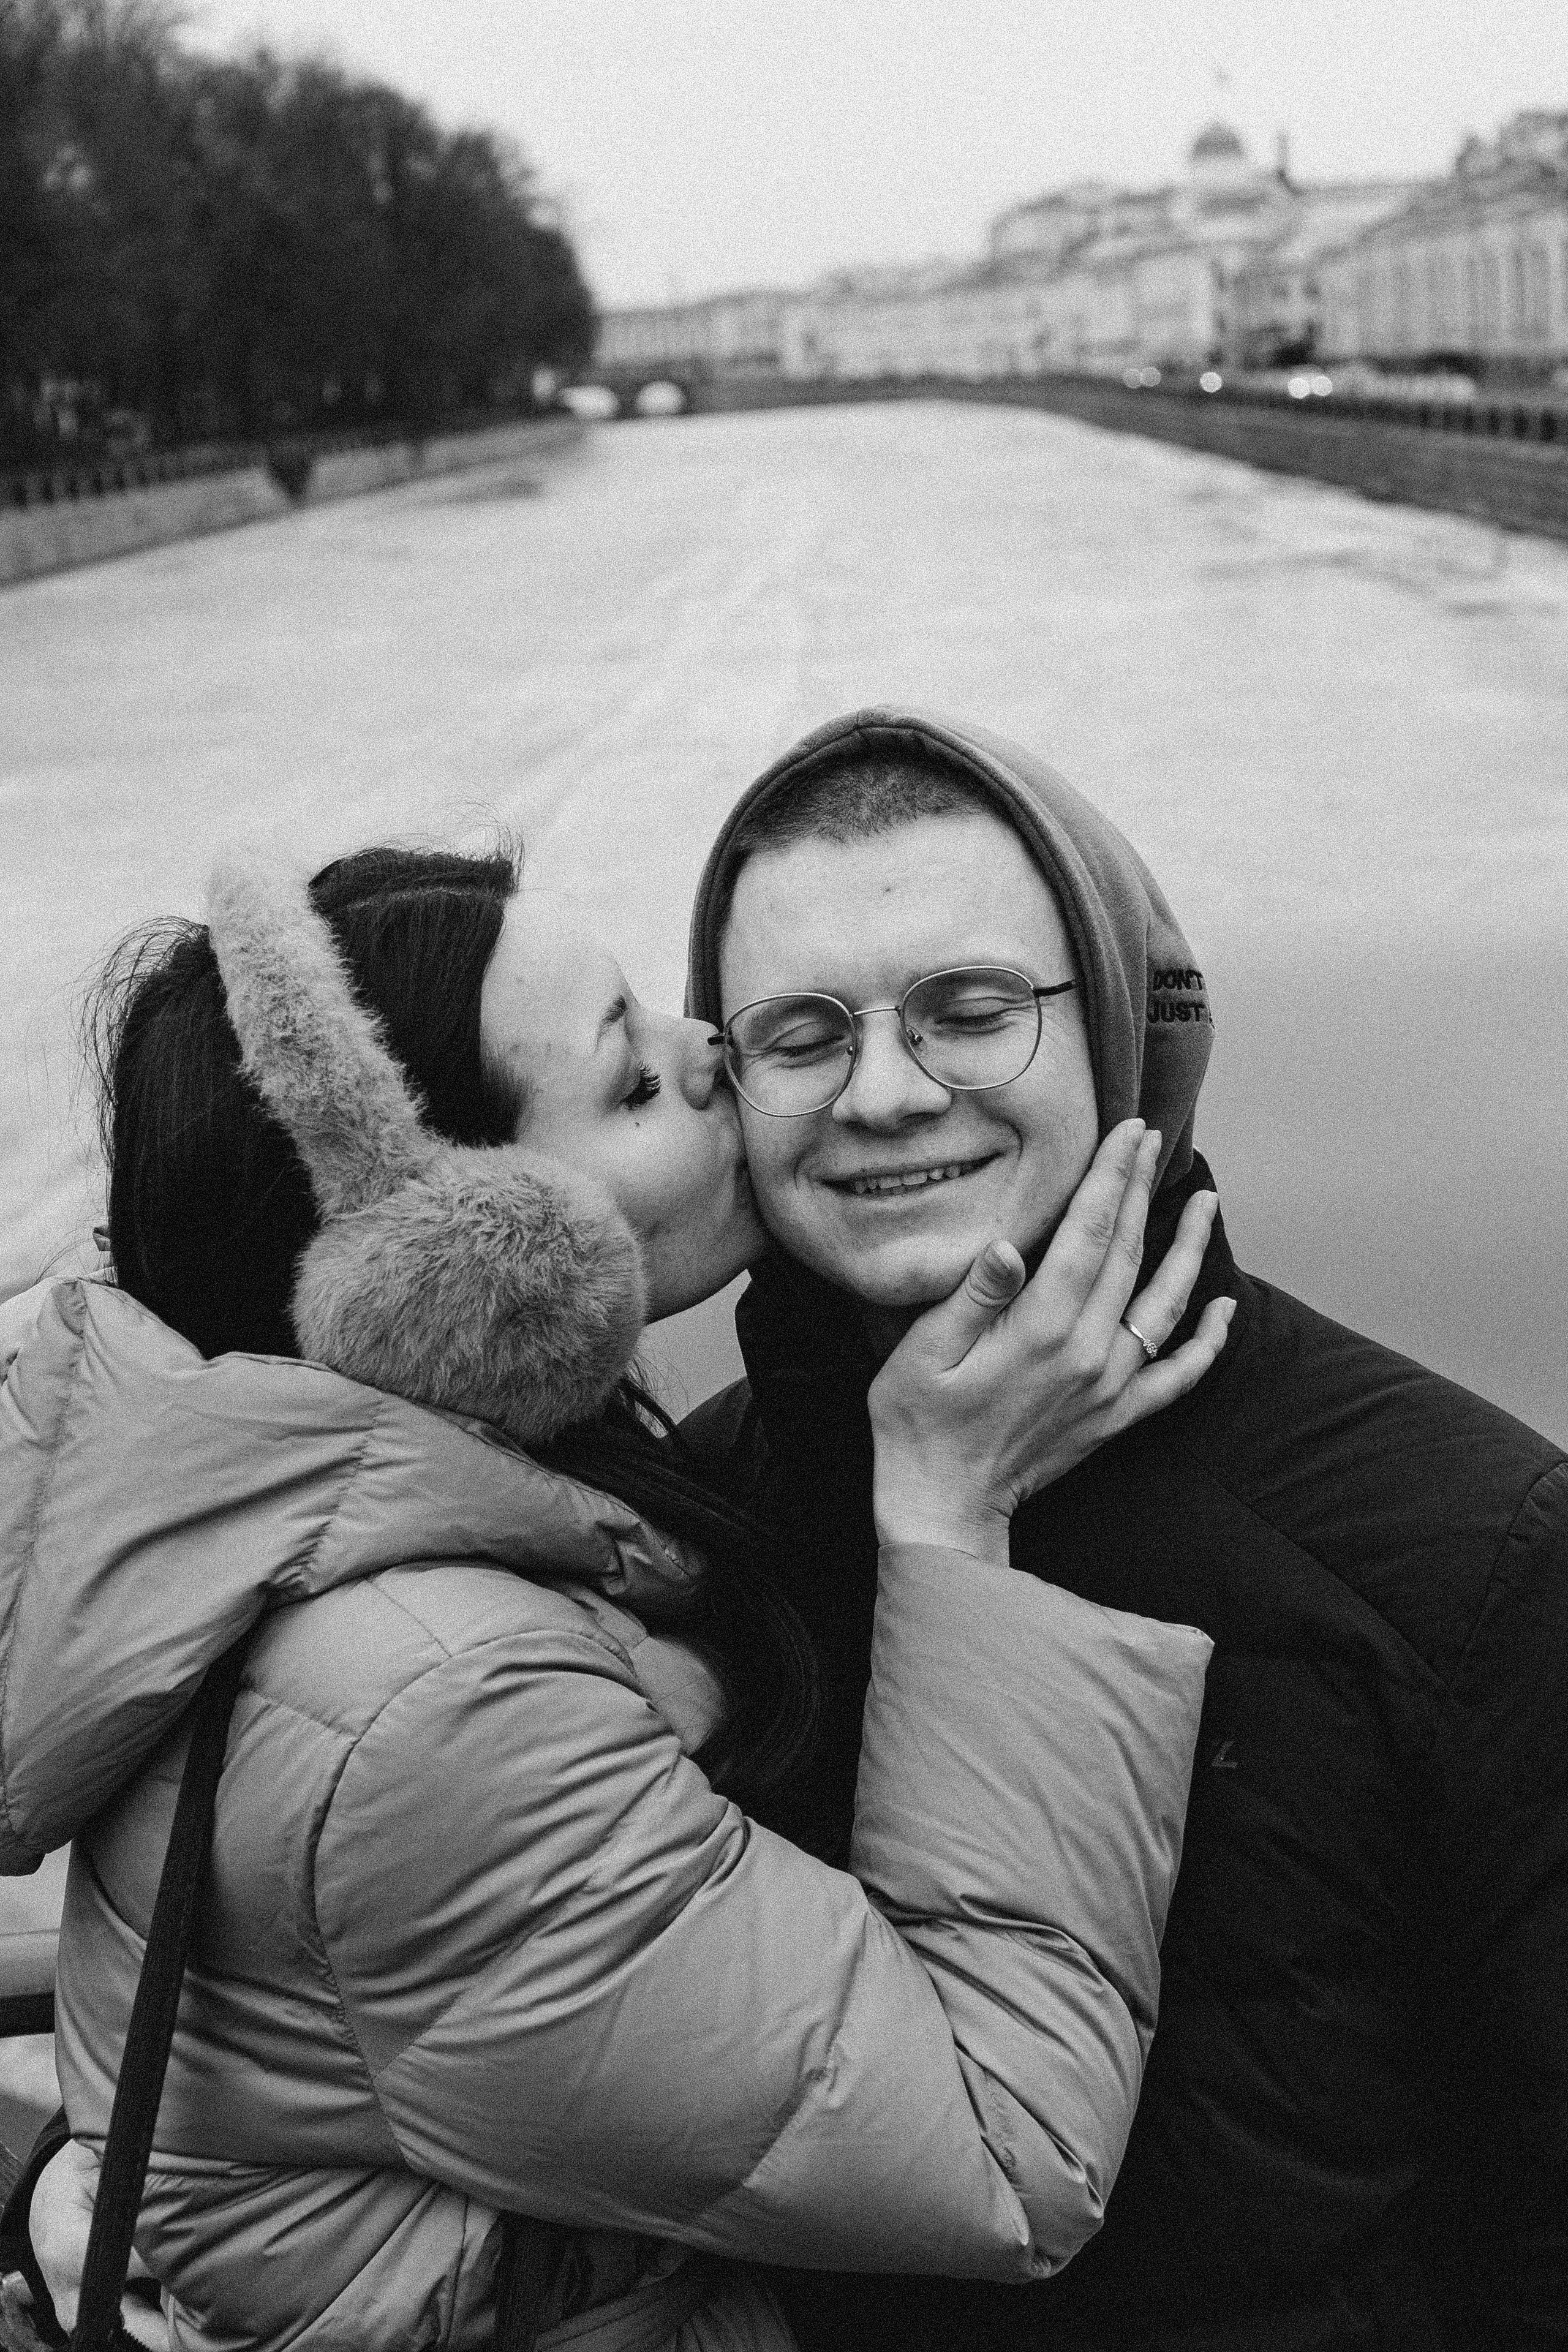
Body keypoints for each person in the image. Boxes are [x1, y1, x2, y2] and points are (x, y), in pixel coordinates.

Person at [1, 841, 1226, 2352]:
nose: (713, 1049)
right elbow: (1006, 2152)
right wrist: (948, 1517)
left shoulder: (315, 1531)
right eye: (629, 1083)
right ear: (461, 1266)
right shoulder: (434, 1696)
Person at [682, 706, 1568, 2352]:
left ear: (1125, 1030)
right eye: (801, 1034)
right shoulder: (692, 1523)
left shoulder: (1471, 1546)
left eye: (968, 1012)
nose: (884, 1095)